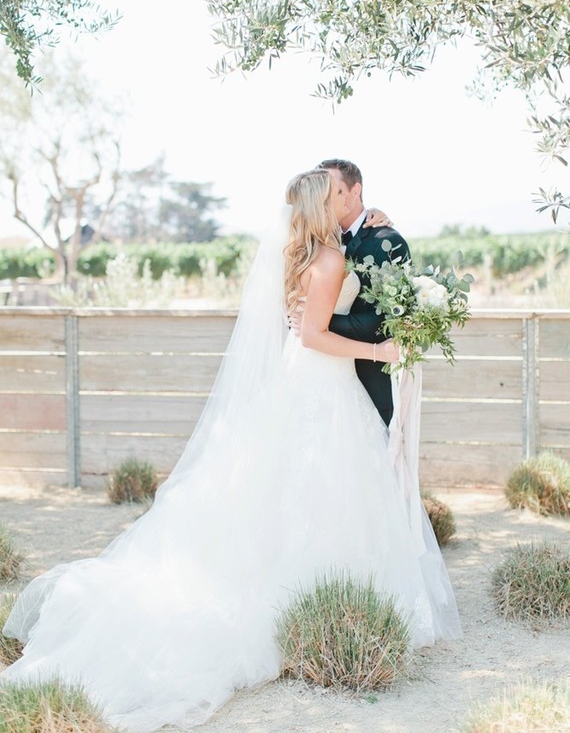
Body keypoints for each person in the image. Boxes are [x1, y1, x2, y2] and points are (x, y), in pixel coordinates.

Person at [1, 169, 461, 732]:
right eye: (335, 194)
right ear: (325, 205)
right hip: (325, 382)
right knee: (329, 489)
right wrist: (384, 350)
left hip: (310, 384)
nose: (345, 199)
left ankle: (326, 603)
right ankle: (321, 604)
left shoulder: (311, 253)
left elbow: (308, 325)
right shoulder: (331, 259)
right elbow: (314, 335)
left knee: (302, 492)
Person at [319, 159, 411, 427]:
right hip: (326, 374)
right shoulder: (322, 239)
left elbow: (388, 319)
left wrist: (319, 325)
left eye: (331, 190)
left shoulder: (387, 241)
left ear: (354, 191)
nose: (323, 199)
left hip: (370, 376)